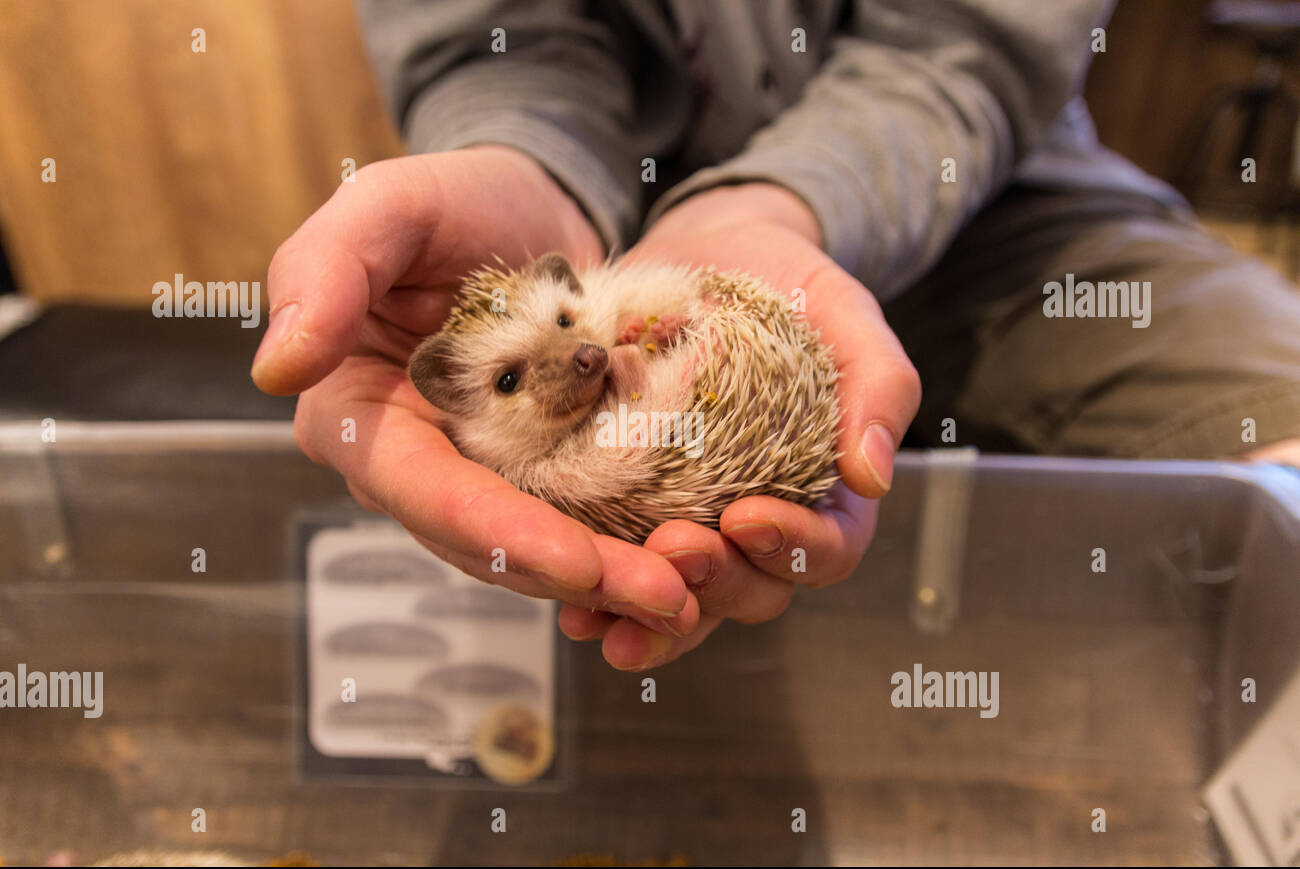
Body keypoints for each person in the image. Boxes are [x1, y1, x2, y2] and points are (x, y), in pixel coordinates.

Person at [252, 0, 1300, 672]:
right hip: (606, 202)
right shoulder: (585, 340)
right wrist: (531, 163)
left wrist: (774, 205)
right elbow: (500, 43)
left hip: (1005, 195)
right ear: (461, 393)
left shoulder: (619, 323)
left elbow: (961, 46)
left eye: (566, 327)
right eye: (520, 373)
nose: (576, 355)